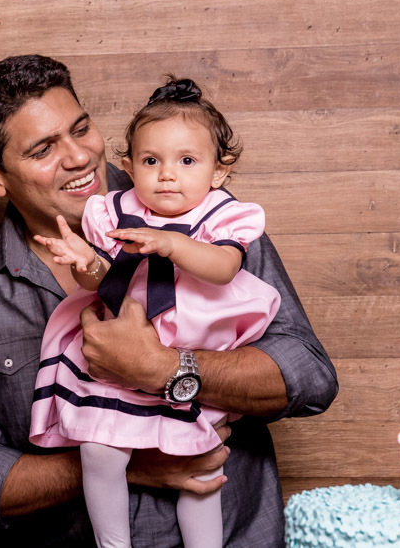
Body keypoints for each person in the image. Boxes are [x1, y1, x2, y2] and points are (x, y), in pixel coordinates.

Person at [0, 55, 338, 547]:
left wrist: (165, 369)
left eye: (81, 129)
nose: (80, 157)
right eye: (43, 149)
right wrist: (127, 461)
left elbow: (309, 376)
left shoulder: (198, 212)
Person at [30, 77, 281, 548]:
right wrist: (87, 264)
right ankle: (113, 544)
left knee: (201, 462)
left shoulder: (219, 213)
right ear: (127, 165)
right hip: (123, 350)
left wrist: (171, 243)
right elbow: (106, 281)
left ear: (219, 170)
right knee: (99, 449)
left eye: (187, 161)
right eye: (151, 161)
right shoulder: (114, 211)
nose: (167, 174)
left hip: (190, 341)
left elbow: (224, 267)